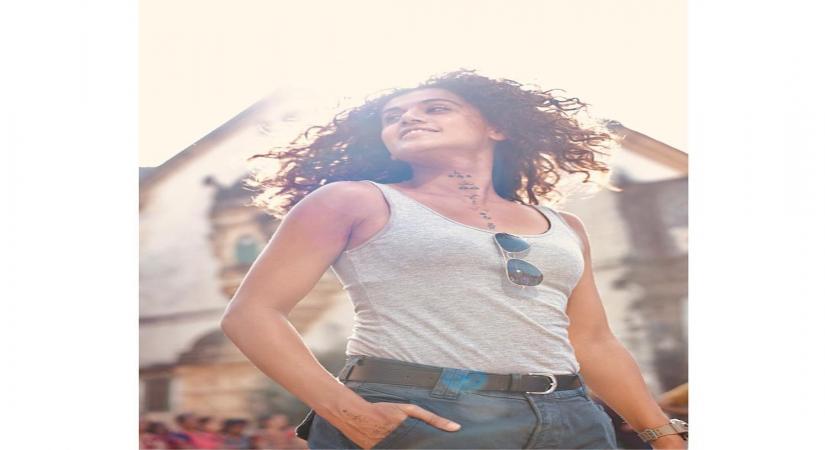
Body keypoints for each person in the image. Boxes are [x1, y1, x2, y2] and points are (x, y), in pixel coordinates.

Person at [221, 70, 687, 449]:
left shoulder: (565, 226)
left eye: (436, 108)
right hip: (424, 413)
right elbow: (252, 314)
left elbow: (593, 340)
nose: (409, 117)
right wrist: (351, 415)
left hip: (571, 418)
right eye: (393, 116)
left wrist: (663, 435)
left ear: (497, 128)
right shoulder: (351, 201)